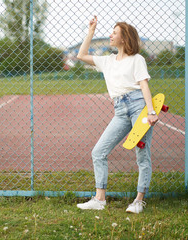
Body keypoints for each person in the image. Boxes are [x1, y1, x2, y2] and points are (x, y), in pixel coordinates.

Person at [76, 16, 159, 214]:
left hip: (139, 107)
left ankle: (138, 201)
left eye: (114, 32)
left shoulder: (137, 59)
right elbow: (81, 55)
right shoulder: (107, 61)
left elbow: (144, 85)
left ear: (124, 38)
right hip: (120, 110)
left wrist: (151, 112)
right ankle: (99, 199)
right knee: (98, 152)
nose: (111, 35)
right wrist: (91, 32)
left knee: (142, 155)